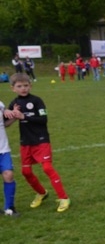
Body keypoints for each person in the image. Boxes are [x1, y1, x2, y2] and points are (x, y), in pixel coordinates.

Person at [4, 73, 71, 212]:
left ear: (30, 86)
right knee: (26, 172)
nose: (23, 88)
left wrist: (24, 116)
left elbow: (43, 120)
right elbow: (6, 123)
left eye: (26, 85)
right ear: (13, 88)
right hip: (26, 142)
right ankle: (42, 193)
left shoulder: (36, 101)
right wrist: (9, 113)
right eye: (19, 86)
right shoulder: (14, 103)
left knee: (47, 168)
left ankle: (64, 198)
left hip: (41, 140)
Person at [0, 97, 19, 217]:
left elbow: (4, 124)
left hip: (3, 149)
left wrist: (14, 116)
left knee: (9, 175)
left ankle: (9, 207)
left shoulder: (0, 104)